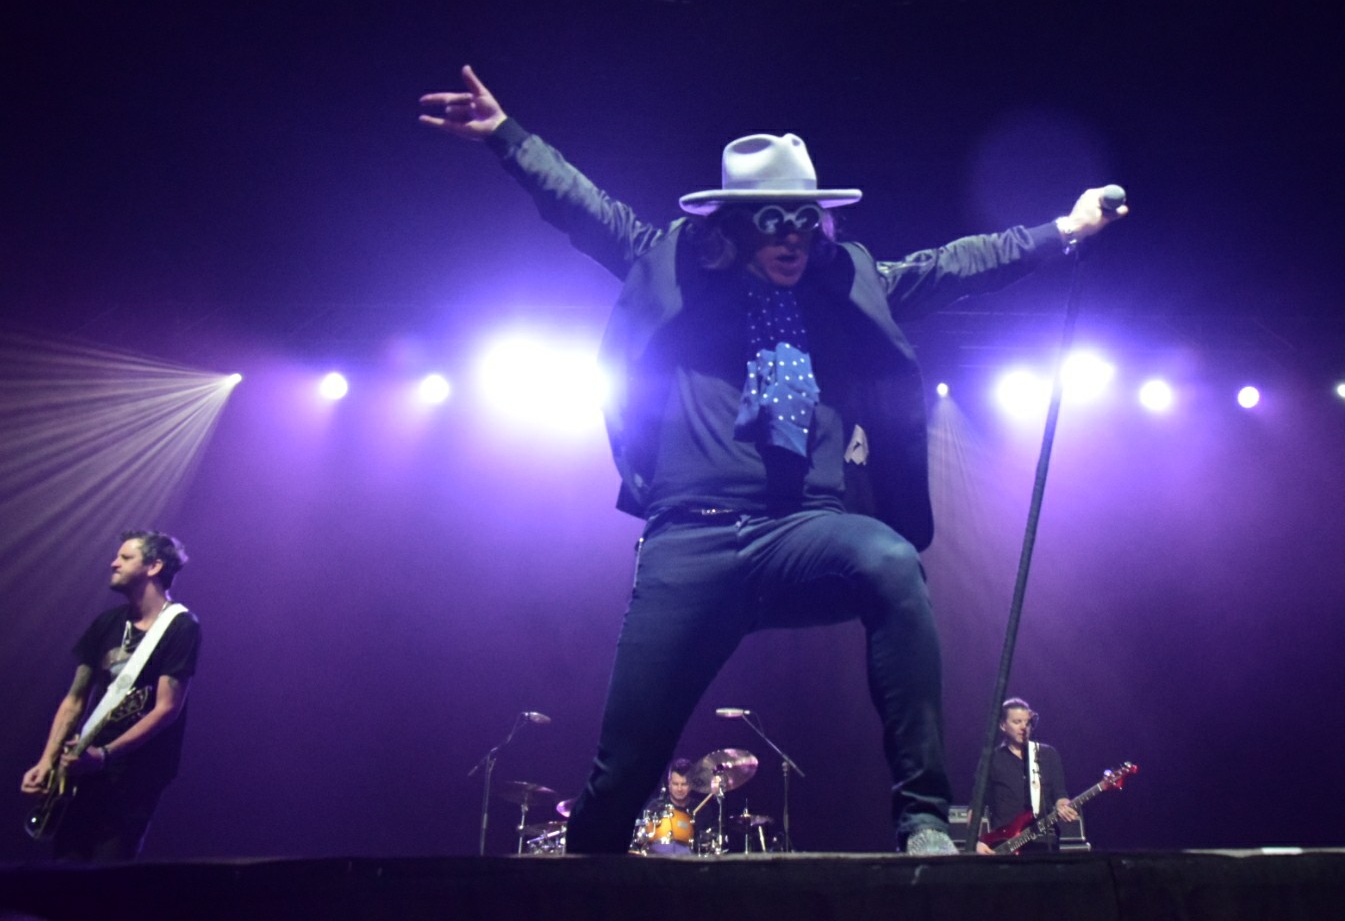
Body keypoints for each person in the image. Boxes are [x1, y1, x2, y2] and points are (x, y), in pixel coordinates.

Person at [419, 66, 1126, 855]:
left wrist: (1064, 228)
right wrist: (506, 136)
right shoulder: (674, 268)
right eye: (772, 221)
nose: (792, 237)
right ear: (732, 224)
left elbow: (954, 264)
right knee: (620, 779)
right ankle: (582, 867)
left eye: (805, 220)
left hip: (802, 531)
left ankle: (924, 817)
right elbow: (585, 208)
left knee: (890, 562)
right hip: (692, 541)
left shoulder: (845, 286)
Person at [20, 531, 201, 861]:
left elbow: (166, 709)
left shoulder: (181, 627)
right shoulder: (106, 623)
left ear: (154, 566)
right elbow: (75, 699)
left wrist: (104, 755)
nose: (113, 563)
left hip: (136, 773)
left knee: (108, 873)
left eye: (125, 558)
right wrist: (47, 760)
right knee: (66, 869)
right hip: (83, 768)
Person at [975, 698, 1079, 854]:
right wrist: (977, 842)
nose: (1024, 727)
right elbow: (976, 806)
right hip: (1004, 845)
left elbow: (1060, 794)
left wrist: (1062, 805)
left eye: (1027, 722)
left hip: (1044, 842)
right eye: (1017, 722)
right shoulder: (991, 759)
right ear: (1003, 725)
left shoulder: (1048, 754)